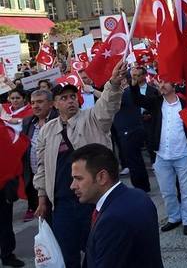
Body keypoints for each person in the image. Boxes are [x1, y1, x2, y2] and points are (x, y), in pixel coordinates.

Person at [33, 61, 127, 268]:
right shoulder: (47, 131)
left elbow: (108, 104)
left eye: (72, 97)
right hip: (62, 205)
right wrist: (42, 199)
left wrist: (113, 82)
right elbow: (42, 167)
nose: (70, 101)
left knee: (98, 252)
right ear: (55, 104)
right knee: (66, 255)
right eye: (63, 98)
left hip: (93, 201)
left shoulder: (93, 118)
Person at [129, 78, 187, 236]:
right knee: (167, 191)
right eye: (160, 82)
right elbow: (137, 99)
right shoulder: (156, 103)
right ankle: (174, 217)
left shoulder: (186, 103)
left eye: (165, 82)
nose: (161, 85)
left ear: (174, 85)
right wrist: (134, 83)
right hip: (162, 155)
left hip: (183, 154)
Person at [70, 144, 163, 268]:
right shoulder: (140, 196)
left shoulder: (111, 220)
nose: (72, 186)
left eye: (78, 179)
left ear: (102, 177)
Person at [112, 67, 156, 192]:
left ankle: (141, 187)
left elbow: (113, 100)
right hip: (126, 131)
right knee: (135, 160)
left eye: (119, 80)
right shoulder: (125, 92)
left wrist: (93, 90)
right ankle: (142, 186)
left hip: (130, 131)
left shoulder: (127, 92)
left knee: (134, 161)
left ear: (125, 81)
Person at [21, 90, 57, 222]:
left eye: (40, 102)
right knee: (45, 220)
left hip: (56, 179)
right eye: (33, 103)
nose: (35, 106)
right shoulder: (27, 122)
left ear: (51, 103)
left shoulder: (59, 120)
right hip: (36, 180)